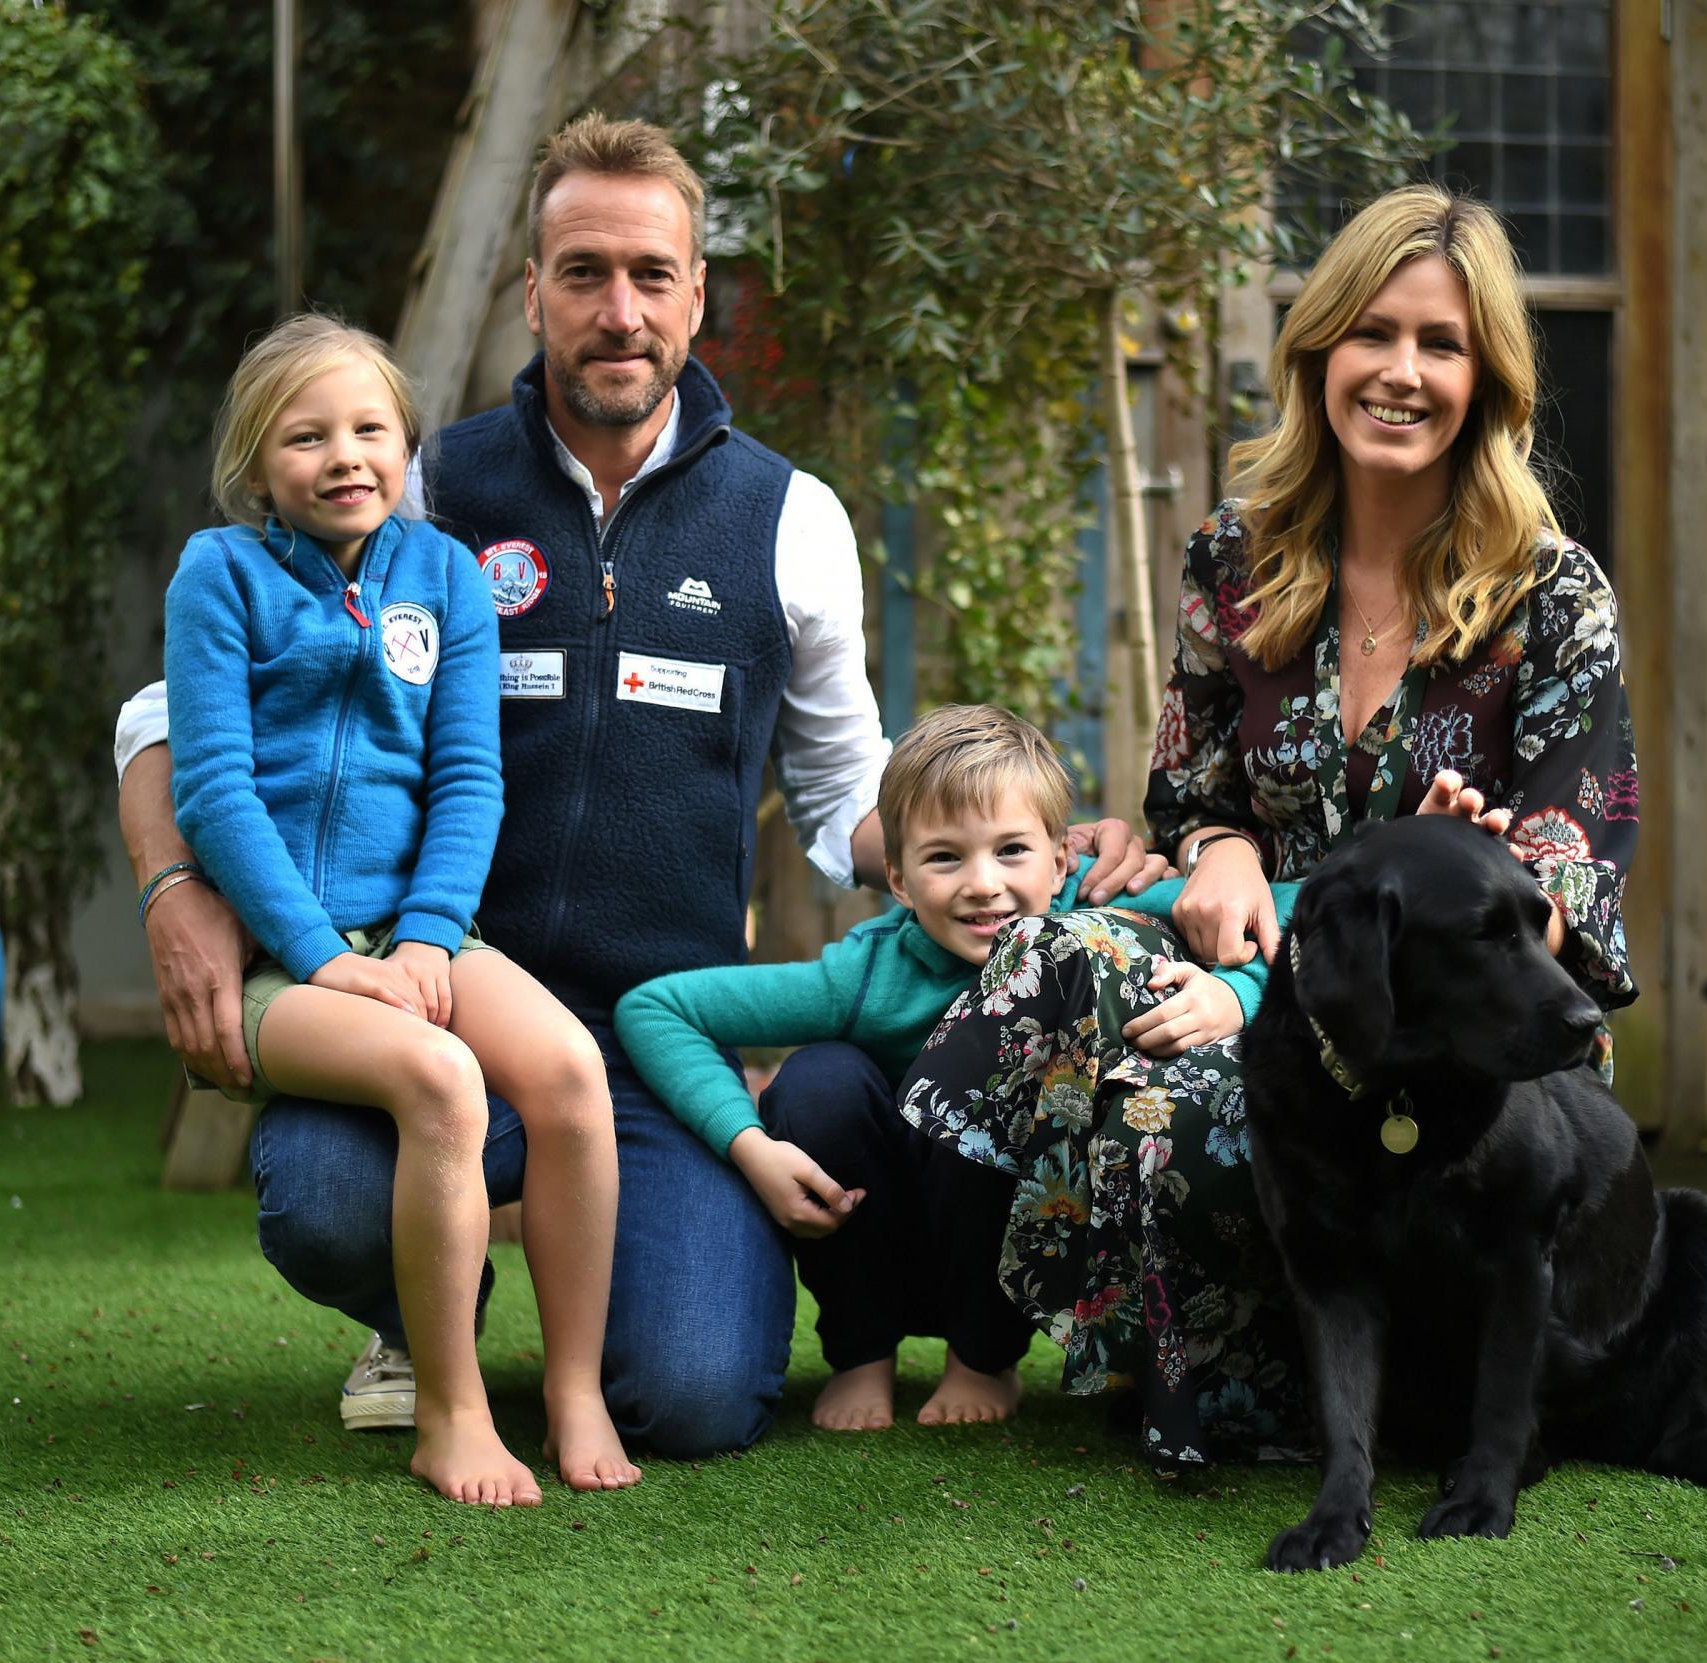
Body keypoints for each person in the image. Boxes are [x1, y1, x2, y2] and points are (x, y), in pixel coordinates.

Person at [115, 113, 1158, 1458]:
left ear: (696, 293)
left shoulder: (790, 519)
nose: (619, 311)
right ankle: (423, 1310)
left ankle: (598, 1323)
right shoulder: (425, 486)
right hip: (447, 995)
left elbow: (856, 795)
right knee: (317, 1194)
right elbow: (179, 708)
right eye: (584, 271)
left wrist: (1019, 856)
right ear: (534, 286)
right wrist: (169, 879)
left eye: (650, 275)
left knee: (696, 1395)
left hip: (656, 1040)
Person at [898, 184, 1640, 1469]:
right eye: (1372, 334)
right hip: (1249, 980)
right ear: (1320, 351)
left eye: (1442, 345)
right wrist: (1225, 849)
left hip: (1458, 1048)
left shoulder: (1553, 591)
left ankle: (1236, 1395)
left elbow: (1569, 865)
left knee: (1178, 1092)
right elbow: (1190, 797)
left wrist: (1460, 861)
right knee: (1051, 948)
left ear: (1489, 380)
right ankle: (958, 1294)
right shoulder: (1232, 562)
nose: (1400, 372)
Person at [161, 314, 635, 1505]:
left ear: (405, 443)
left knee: (573, 1072)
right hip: (283, 958)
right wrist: (320, 956)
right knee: (443, 1081)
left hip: (418, 927)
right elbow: (212, 789)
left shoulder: (444, 578)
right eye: (305, 435)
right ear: (256, 461)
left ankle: (572, 1389)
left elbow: (470, 776)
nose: (344, 456)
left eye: (370, 428)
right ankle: (451, 1403)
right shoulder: (218, 576)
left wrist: (429, 932)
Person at [615, 705, 1288, 1433]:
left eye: (1011, 851)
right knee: (818, 1081)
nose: (982, 884)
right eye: (945, 858)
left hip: (1004, 1231)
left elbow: (1294, 909)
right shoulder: (870, 974)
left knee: (1004, 1082)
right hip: (884, 1219)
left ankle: (982, 1355)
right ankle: (861, 1353)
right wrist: (749, 1143)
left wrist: (1236, 991)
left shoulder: (1103, 906)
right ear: (899, 881)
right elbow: (654, 1008)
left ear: (1063, 860)